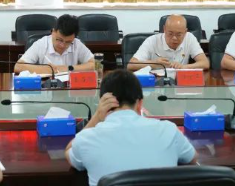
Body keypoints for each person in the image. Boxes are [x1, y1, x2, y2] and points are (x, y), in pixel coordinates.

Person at [65, 70, 197, 186]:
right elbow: (192, 158)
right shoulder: (169, 130)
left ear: (102, 104)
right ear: (140, 103)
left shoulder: (87, 139)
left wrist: (97, 117)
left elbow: (69, 151)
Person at [14, 14, 94, 74]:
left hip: (70, 88)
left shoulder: (77, 44)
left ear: (74, 38)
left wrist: (68, 68)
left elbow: (95, 65)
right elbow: (18, 67)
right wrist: (47, 69)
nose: (62, 45)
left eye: (68, 42)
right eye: (59, 40)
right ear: (53, 32)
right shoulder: (41, 44)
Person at [127, 14, 209, 71]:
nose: (174, 38)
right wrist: (154, 63)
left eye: (179, 34)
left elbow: (205, 63)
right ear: (164, 29)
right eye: (170, 33)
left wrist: (184, 67)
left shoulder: (189, 38)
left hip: (180, 83)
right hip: (157, 84)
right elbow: (131, 65)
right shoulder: (152, 41)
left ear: (185, 32)